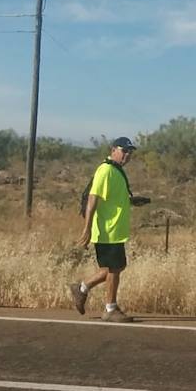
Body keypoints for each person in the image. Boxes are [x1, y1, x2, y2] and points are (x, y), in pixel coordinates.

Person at [68, 137, 150, 322]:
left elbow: (112, 199)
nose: (127, 155)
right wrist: (87, 228)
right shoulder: (105, 170)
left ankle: (81, 288)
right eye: (124, 150)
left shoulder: (116, 171)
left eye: (130, 152)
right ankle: (110, 309)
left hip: (115, 230)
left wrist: (133, 201)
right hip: (106, 229)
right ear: (113, 149)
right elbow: (92, 199)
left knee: (116, 267)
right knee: (114, 268)